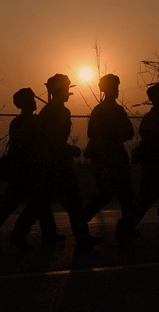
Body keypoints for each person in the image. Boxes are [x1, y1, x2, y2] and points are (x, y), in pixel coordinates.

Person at [10, 74, 101, 249]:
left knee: (41, 202)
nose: (68, 92)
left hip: (48, 164)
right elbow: (53, 140)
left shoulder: (49, 110)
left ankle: (29, 233)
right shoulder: (59, 111)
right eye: (66, 88)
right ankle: (81, 237)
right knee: (72, 203)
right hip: (57, 165)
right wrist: (70, 150)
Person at [0, 87, 60, 249]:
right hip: (30, 170)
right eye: (33, 100)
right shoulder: (32, 123)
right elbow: (39, 144)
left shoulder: (17, 122)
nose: (35, 102)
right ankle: (18, 234)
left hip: (20, 170)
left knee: (14, 204)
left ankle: (48, 233)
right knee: (36, 203)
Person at [81, 75, 136, 241]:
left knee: (108, 195)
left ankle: (81, 223)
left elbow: (91, 133)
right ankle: (125, 229)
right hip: (114, 157)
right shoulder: (115, 110)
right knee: (121, 195)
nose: (117, 90)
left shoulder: (98, 110)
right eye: (115, 87)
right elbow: (129, 132)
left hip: (105, 158)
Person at [121, 83, 159, 238]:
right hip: (155, 164)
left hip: (157, 163)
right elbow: (157, 140)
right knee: (145, 200)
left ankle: (126, 226)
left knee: (149, 199)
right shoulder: (154, 119)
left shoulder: (154, 118)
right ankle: (125, 227)